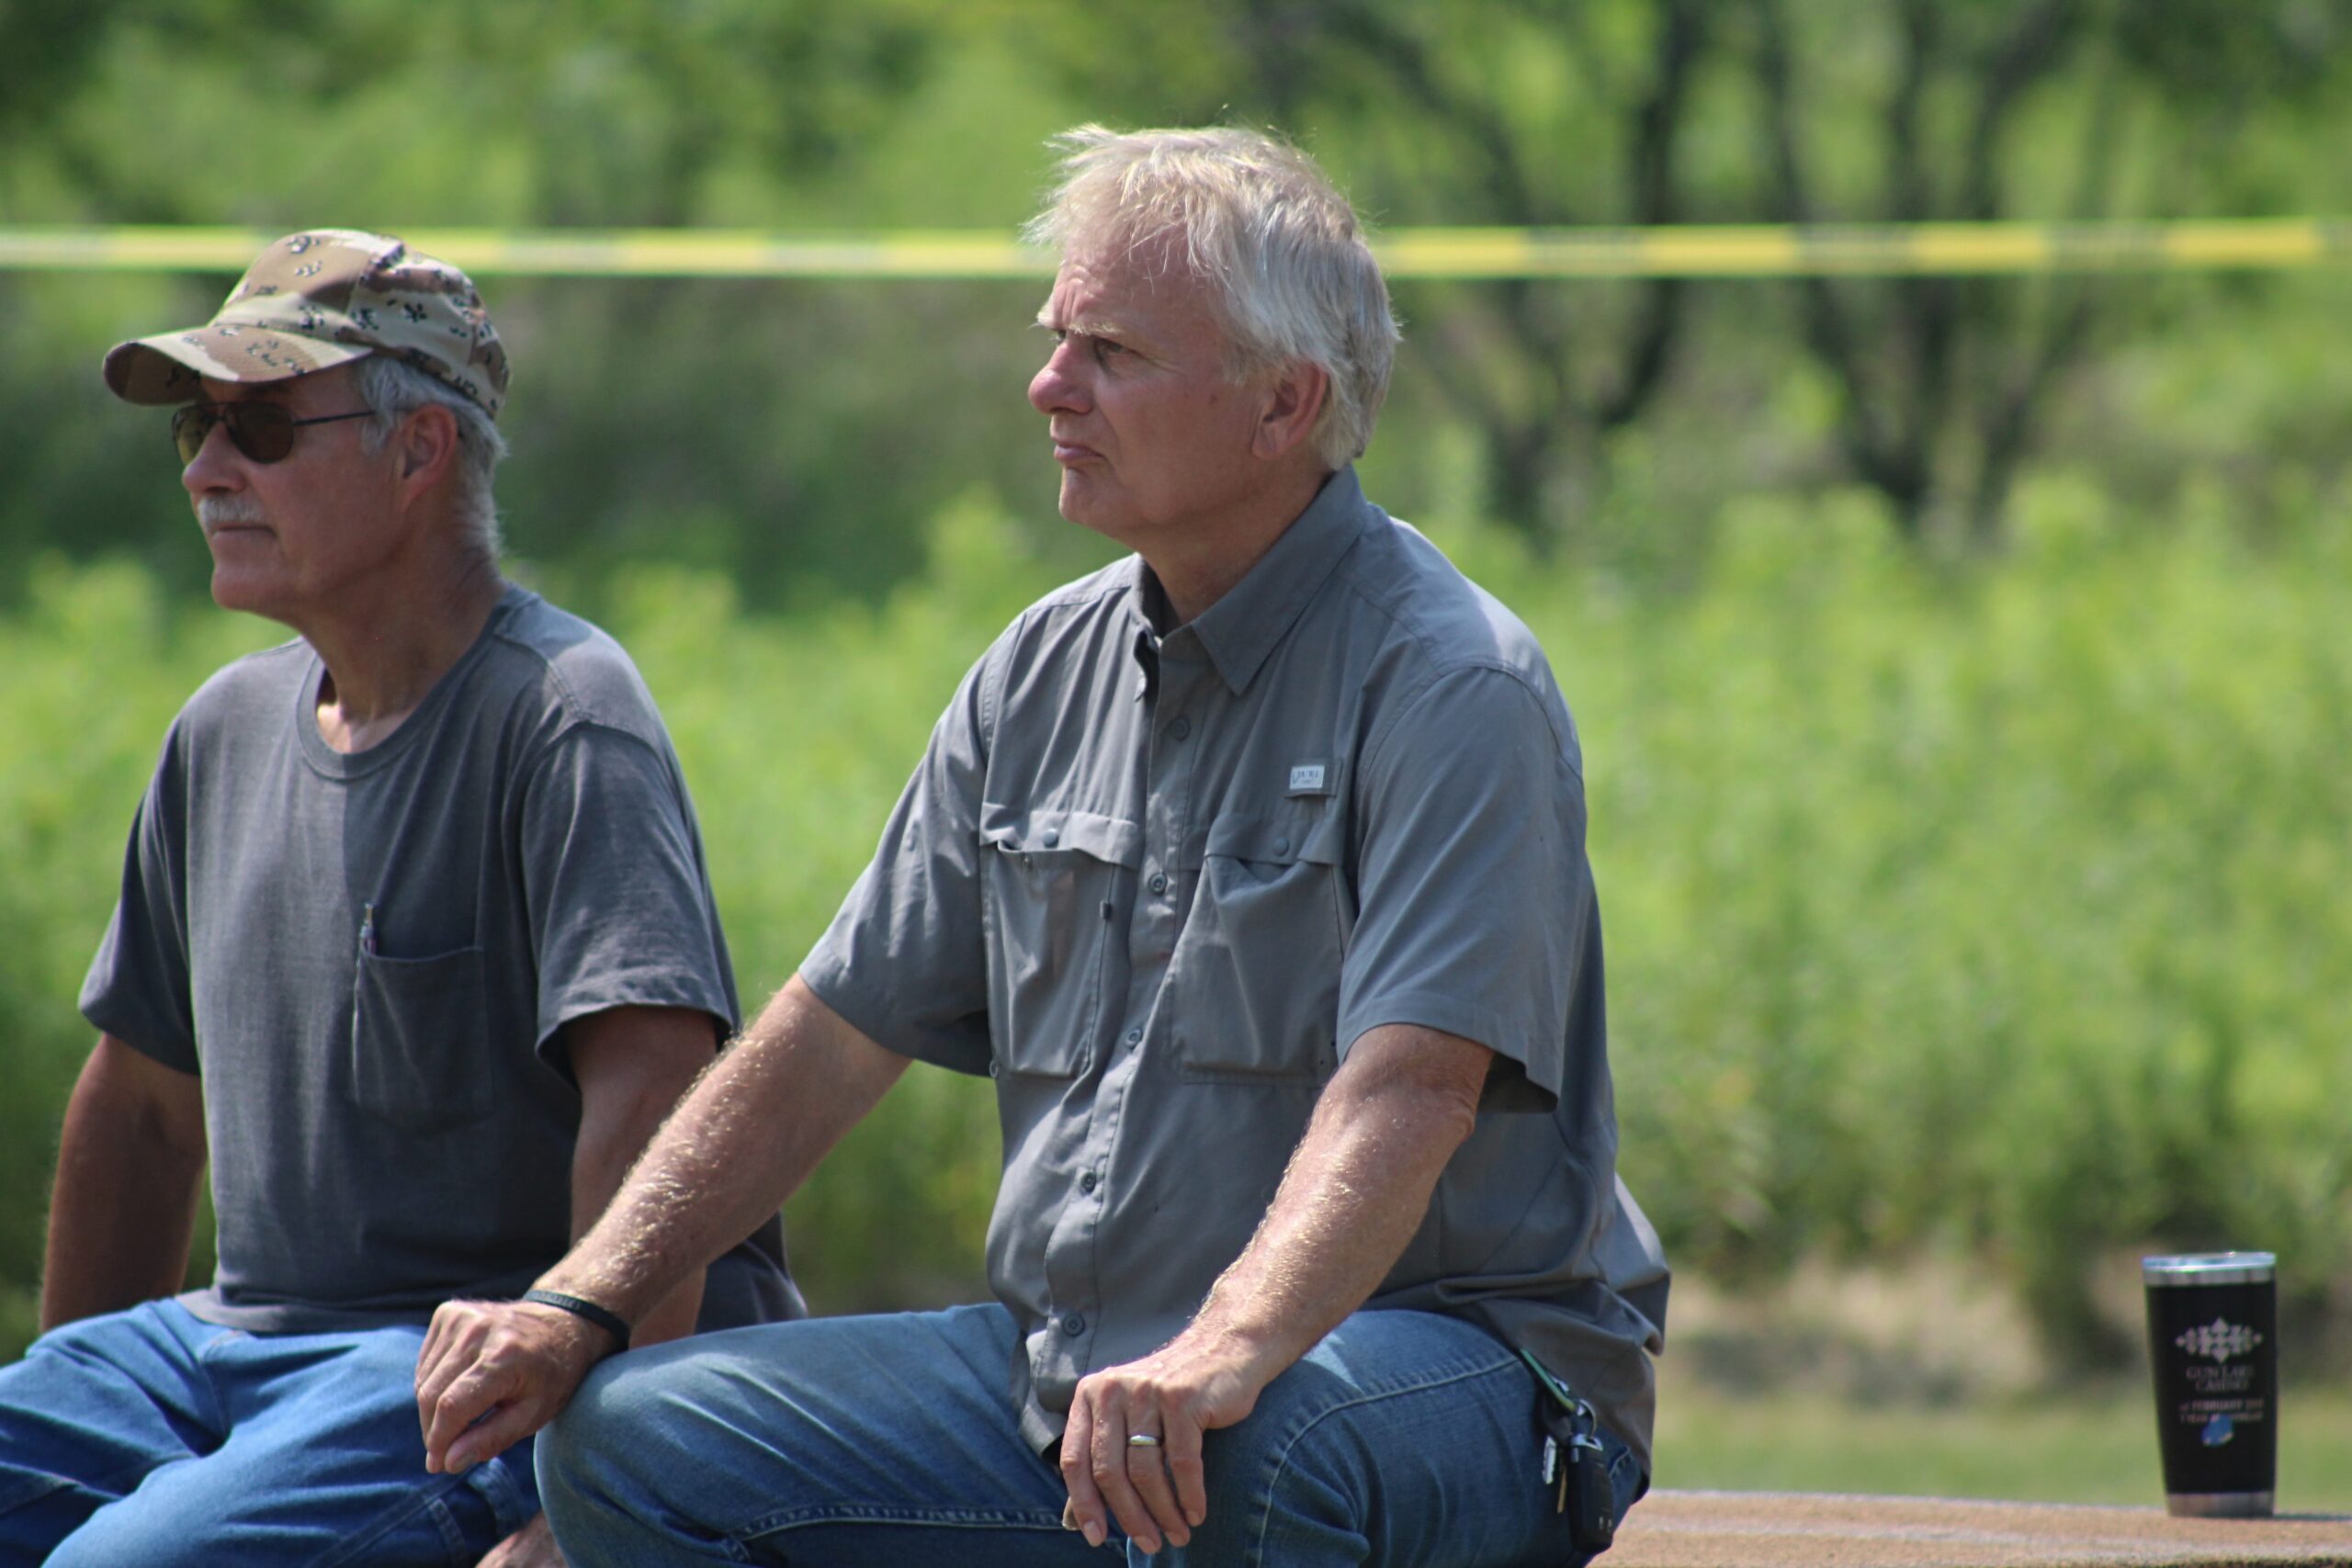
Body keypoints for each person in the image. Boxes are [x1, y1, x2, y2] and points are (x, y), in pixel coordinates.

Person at [416, 127, 1669, 1568]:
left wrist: (1226, 1350)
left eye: (1113, 352)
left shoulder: (1455, 686)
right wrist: (585, 1303)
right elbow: (825, 1041)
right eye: (1055, 336)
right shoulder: (1036, 672)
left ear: (1283, 406)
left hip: (1451, 1370)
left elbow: (1409, 1094)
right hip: (1078, 1383)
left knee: (1259, 1452)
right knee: (637, 1438)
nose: (1048, 385)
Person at [0, 230, 800, 1568]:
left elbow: (657, 1104)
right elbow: (141, 1116)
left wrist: (585, 1507)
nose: (205, 469)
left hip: (456, 1366)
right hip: (223, 1348)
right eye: (199, 423)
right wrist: (78, 1397)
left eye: (258, 425)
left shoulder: (561, 715)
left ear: (421, 451)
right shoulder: (223, 730)